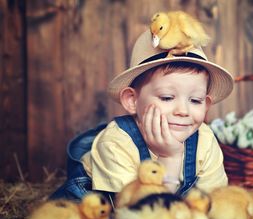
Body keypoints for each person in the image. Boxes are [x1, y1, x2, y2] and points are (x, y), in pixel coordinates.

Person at [50, 29, 234, 204]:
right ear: (132, 100)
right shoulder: (116, 144)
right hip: (105, 211)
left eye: (195, 100)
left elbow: (213, 202)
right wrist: (170, 157)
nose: (183, 111)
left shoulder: (205, 140)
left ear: (206, 105)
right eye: (167, 97)